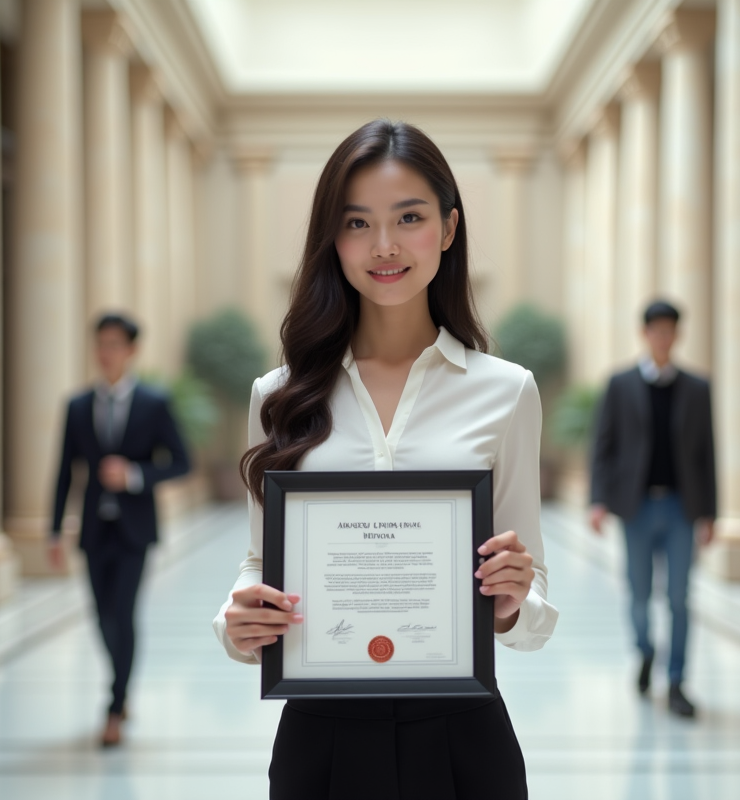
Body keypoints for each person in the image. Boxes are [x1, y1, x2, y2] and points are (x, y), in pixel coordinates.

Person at [212, 119, 558, 800]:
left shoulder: (507, 391)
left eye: (409, 217)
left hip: (464, 736)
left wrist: (516, 604)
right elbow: (260, 564)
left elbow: (532, 583)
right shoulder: (277, 396)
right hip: (321, 737)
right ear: (331, 239)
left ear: (449, 228)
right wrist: (237, 621)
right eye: (358, 223)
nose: (386, 246)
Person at [49, 313, 191, 747]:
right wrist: (55, 531)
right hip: (93, 530)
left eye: (114, 344)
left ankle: (114, 704)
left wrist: (134, 476)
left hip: (134, 530)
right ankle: (120, 684)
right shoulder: (76, 406)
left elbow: (183, 462)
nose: (105, 352)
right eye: (100, 343)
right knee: (102, 616)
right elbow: (63, 473)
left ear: (131, 350)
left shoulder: (155, 402)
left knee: (123, 614)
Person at [589, 300, 716, 719]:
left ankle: (677, 680)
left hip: (682, 508)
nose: (663, 338)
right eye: (656, 331)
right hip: (637, 507)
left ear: (677, 335)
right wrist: (597, 500)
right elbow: (603, 446)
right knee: (639, 595)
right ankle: (645, 651)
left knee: (679, 598)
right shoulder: (620, 383)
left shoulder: (697, 388)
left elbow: (707, 454)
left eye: (670, 331)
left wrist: (711, 512)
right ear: (645, 334)